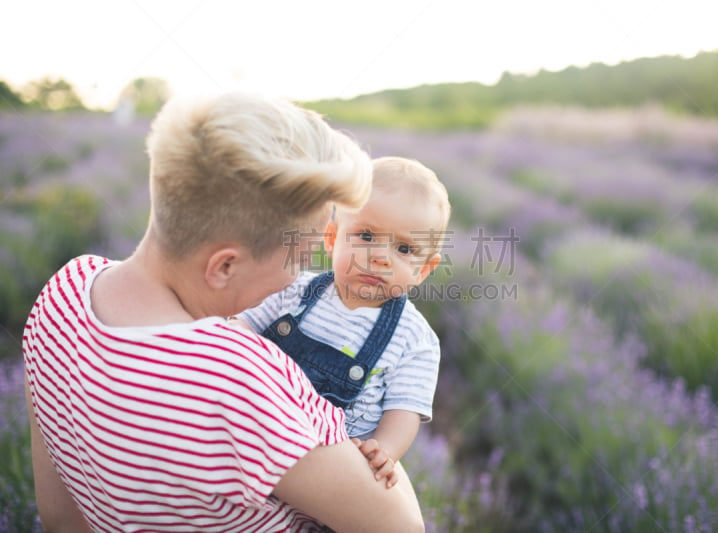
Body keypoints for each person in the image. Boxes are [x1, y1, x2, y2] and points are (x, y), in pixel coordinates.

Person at [22, 93, 425, 533]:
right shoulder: (237, 375)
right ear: (225, 266)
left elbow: (60, 518)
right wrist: (372, 439)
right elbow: (399, 527)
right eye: (299, 256)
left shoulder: (64, 290)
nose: (299, 279)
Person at [233, 156, 450, 489]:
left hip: (330, 470)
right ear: (332, 238)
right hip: (255, 432)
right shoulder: (294, 288)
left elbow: (403, 412)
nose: (379, 257)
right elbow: (242, 330)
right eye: (365, 236)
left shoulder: (415, 339)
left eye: (404, 248)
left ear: (423, 270)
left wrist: (385, 450)